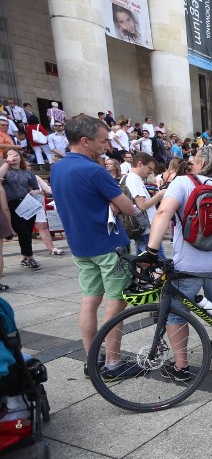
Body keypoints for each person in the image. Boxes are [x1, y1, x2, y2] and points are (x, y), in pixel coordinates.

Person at [136, 145, 212, 377]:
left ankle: (181, 366)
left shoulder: (183, 183)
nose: (191, 163)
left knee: (176, 313)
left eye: (194, 160)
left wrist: (151, 251)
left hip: (188, 264)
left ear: (201, 163)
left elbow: (164, 213)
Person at [50, 114, 138, 379]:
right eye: (102, 141)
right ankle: (113, 363)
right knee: (116, 303)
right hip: (108, 244)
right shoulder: (93, 170)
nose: (107, 146)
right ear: (85, 141)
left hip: (80, 245)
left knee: (89, 301)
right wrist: (113, 205)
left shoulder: (58, 168)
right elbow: (129, 207)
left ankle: (91, 361)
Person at [0, 149, 41, 269]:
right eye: (10, 155)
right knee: (22, 231)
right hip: (12, 203)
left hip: (27, 203)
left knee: (28, 232)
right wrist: (7, 162)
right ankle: (30, 257)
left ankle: (25, 257)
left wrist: (35, 191)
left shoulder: (27, 172)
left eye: (16, 155)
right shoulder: (6, 171)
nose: (14, 157)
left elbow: (37, 188)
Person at [122, 152, 166, 256]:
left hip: (141, 228)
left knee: (143, 262)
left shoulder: (128, 177)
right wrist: (159, 195)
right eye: (150, 168)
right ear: (140, 164)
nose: (151, 172)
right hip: (145, 229)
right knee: (159, 263)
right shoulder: (134, 179)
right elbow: (142, 205)